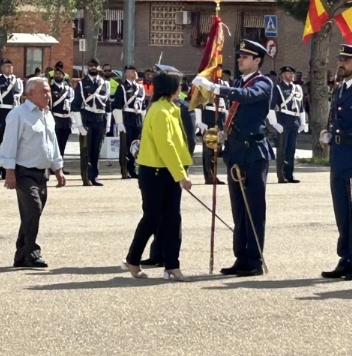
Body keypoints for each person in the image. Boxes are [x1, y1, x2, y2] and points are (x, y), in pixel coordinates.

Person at [193, 39, 274, 277]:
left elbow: (247, 96)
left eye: (245, 57)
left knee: (254, 207)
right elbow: (234, 111)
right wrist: (222, 133)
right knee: (239, 207)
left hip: (253, 151)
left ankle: (254, 258)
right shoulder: (239, 81)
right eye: (239, 56)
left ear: (257, 61)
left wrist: (217, 88)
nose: (239, 60)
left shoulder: (264, 83)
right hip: (236, 149)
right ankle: (241, 256)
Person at [122, 72, 192, 281]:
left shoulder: (172, 108)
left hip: (167, 170)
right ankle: (133, 259)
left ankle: (172, 264)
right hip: (155, 171)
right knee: (152, 219)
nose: (181, 89)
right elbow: (166, 145)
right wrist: (181, 174)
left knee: (172, 219)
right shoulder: (160, 110)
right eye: (179, 85)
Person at [0, 77, 66, 268]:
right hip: (24, 172)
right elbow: (9, 144)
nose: (49, 95)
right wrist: (9, 171)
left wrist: (58, 169)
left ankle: (21, 254)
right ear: (30, 94)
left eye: (49, 91)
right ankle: (32, 253)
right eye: (44, 91)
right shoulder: (19, 114)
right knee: (34, 210)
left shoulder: (47, 115)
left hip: (42, 173)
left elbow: (53, 145)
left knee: (31, 214)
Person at [321, 45, 352, 280]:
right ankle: (346, 256)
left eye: (346, 60)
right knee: (341, 208)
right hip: (339, 153)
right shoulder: (340, 89)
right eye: (340, 58)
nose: (341, 63)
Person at [71, 58, 111, 186]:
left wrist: (108, 124)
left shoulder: (105, 83)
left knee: (96, 149)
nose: (93, 68)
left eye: (95, 66)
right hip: (87, 118)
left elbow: (108, 105)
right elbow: (75, 105)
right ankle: (85, 176)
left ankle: (95, 176)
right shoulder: (82, 83)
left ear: (99, 67)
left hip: (100, 119)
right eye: (90, 66)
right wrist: (79, 125)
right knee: (86, 150)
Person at [268, 65, 306, 184]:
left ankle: (290, 174)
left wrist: (303, 122)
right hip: (283, 121)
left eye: (292, 73)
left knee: (291, 150)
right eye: (289, 73)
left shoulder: (297, 88)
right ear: (283, 74)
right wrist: (274, 123)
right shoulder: (278, 88)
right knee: (282, 150)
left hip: (294, 121)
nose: (291, 75)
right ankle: (281, 175)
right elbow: (271, 107)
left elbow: (301, 106)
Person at [112, 65, 146, 179]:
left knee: (136, 145)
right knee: (125, 145)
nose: (134, 73)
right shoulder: (122, 87)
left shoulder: (140, 88)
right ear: (126, 73)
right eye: (131, 71)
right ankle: (124, 169)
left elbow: (143, 107)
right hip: (127, 117)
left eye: (135, 71)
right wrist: (120, 123)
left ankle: (133, 168)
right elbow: (117, 106)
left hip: (137, 118)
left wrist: (144, 121)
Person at [50, 65, 74, 175]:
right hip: (56, 118)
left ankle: (60, 166)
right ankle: (51, 166)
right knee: (54, 144)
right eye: (56, 74)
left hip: (66, 120)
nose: (57, 76)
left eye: (59, 74)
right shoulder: (51, 89)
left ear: (63, 76)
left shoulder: (69, 90)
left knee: (63, 145)